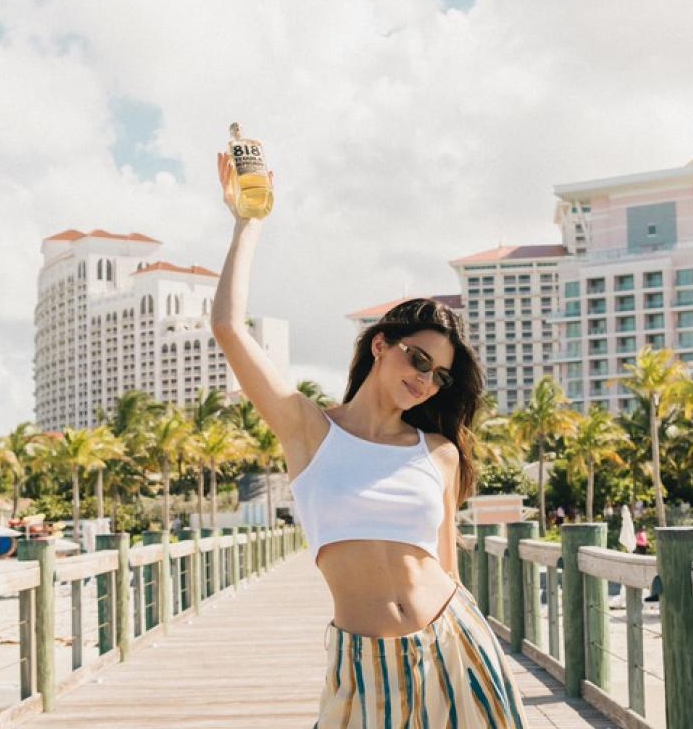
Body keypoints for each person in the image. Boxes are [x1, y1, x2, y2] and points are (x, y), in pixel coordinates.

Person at [211, 152, 526, 727]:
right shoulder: (309, 430)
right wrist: (247, 223)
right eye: (417, 357)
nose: (424, 378)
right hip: (362, 665)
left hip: (455, 645)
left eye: (438, 374)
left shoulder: (440, 454)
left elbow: (447, 566)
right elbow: (229, 328)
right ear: (382, 344)